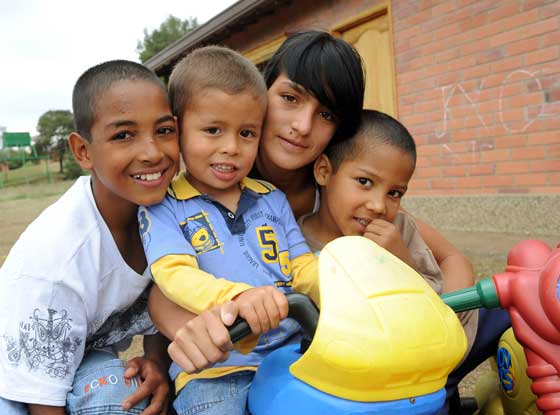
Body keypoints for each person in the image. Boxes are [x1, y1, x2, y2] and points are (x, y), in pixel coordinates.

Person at [149, 31, 510, 414]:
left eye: (326, 115)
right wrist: (163, 353)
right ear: (259, 95)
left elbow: (452, 257)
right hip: (247, 364)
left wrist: (439, 333)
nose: (303, 125)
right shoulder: (216, 182)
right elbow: (162, 283)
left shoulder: (346, 194)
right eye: (289, 98)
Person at [139, 45, 320, 415]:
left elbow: (302, 266)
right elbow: (175, 275)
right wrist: (239, 298)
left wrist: (341, 282)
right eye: (212, 130)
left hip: (293, 352)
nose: (231, 148)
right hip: (215, 369)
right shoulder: (164, 205)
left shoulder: (271, 197)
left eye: (247, 133)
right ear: (177, 130)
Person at [0, 60, 180, 415]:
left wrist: (156, 360)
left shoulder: (174, 213)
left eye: (164, 130)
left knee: (112, 385)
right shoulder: (59, 260)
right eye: (123, 135)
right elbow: (40, 402)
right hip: (14, 386)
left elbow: (173, 288)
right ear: (83, 151)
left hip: (79, 358)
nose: (152, 152)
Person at [299, 108, 478, 355]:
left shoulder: (401, 232)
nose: (379, 206)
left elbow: (433, 306)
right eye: (364, 182)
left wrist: (402, 264)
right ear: (324, 172)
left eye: (394, 193)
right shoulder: (293, 242)